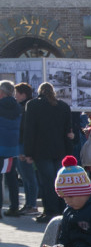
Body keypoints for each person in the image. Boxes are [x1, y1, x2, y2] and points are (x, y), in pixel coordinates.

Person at [22, 82, 74, 223]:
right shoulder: (63, 106)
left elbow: (29, 131)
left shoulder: (32, 105)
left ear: (40, 92)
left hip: (41, 150)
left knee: (47, 182)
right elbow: (68, 131)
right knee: (60, 181)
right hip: (60, 150)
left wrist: (28, 153)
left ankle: (50, 211)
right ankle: (63, 209)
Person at [0, 81, 25, 217]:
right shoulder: (17, 107)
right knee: (12, 178)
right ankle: (14, 207)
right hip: (12, 146)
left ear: (2, 92)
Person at [14, 83, 39, 216]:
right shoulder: (22, 107)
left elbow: (26, 129)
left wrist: (26, 150)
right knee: (24, 177)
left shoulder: (28, 107)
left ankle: (32, 204)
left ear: (23, 94)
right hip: (20, 143)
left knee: (29, 176)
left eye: (17, 93)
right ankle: (28, 203)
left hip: (23, 144)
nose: (15, 96)